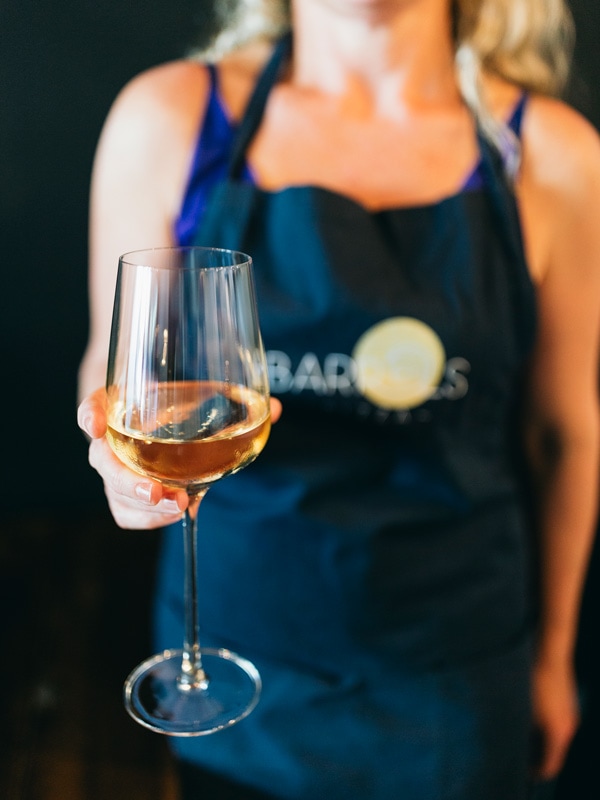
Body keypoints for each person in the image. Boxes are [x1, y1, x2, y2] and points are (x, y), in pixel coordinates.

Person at [77, 0, 600, 797]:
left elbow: (566, 434)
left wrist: (557, 655)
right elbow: (112, 377)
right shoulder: (171, 118)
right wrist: (119, 464)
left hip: (456, 679)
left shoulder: (554, 154)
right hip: (225, 668)